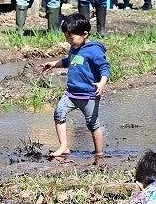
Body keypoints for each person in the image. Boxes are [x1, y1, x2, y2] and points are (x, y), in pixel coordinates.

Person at [38, 11, 110, 159]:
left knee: (92, 124)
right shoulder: (75, 48)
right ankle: (64, 146)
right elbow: (69, 60)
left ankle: (99, 154)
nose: (69, 41)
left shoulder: (94, 51)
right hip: (71, 93)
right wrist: (54, 64)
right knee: (59, 113)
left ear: (85, 34)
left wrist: (102, 83)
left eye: (71, 38)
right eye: (66, 37)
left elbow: (105, 68)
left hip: (89, 95)